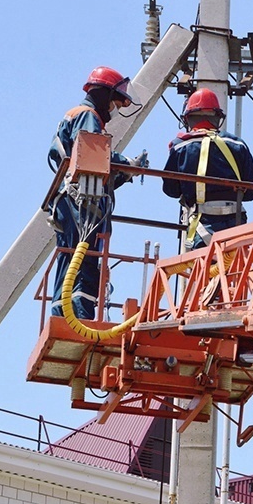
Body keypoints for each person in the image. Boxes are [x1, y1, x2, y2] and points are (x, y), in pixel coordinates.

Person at [47, 66, 147, 320]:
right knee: (86, 257)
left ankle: (62, 311)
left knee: (69, 257)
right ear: (104, 94)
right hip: (81, 200)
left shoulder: (73, 115)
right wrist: (128, 165)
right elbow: (94, 153)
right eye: (115, 100)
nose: (116, 108)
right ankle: (80, 314)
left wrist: (121, 173)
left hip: (68, 198)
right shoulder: (88, 116)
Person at [162, 88, 253, 251]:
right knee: (235, 270)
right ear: (217, 117)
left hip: (202, 224)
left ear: (188, 119)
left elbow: (171, 190)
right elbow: (250, 192)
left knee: (203, 271)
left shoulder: (181, 147)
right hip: (236, 225)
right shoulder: (238, 145)